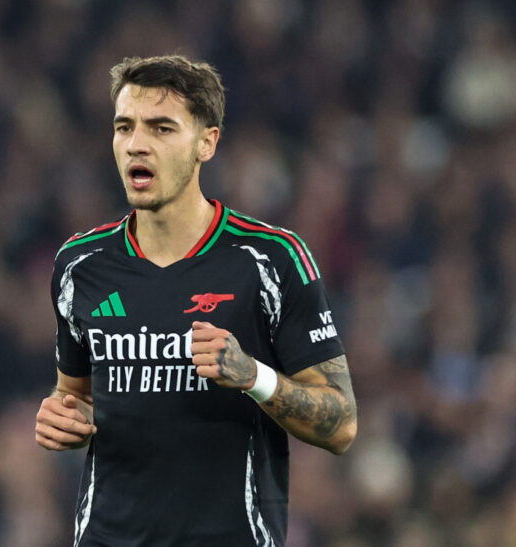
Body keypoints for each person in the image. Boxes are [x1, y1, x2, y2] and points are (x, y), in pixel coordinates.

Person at [35, 55, 357, 547]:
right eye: (124, 127)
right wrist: (64, 420)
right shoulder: (81, 265)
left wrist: (254, 377)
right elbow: (75, 396)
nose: (137, 144)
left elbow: (341, 424)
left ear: (207, 142)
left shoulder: (270, 259)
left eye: (162, 128)